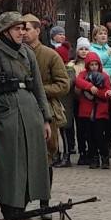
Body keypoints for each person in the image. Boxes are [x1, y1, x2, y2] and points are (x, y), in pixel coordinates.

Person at [0, 11, 52, 220]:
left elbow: (38, 87)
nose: (22, 32)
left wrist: (45, 118)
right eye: (16, 28)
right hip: (6, 117)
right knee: (10, 167)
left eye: (23, 28)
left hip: (30, 114)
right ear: (5, 31)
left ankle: (23, 212)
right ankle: (9, 215)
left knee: (31, 164)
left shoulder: (28, 53)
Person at [23, 13, 71, 174]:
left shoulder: (50, 55)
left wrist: (39, 89)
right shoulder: (15, 55)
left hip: (46, 110)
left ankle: (44, 197)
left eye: (27, 29)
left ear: (38, 31)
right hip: (22, 110)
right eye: (20, 29)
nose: (23, 32)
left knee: (46, 157)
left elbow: (64, 85)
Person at [74, 50, 111, 168]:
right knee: (89, 136)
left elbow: (107, 92)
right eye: (91, 64)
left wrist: (97, 92)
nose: (94, 67)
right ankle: (93, 157)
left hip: (100, 111)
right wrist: (90, 86)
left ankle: (104, 156)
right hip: (87, 111)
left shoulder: (105, 76)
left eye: (96, 64)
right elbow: (78, 81)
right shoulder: (83, 75)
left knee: (99, 135)